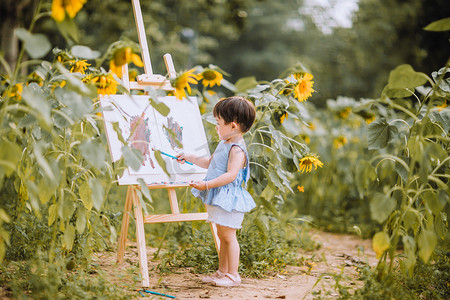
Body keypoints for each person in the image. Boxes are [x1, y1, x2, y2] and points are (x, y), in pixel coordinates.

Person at [176, 96, 256, 287]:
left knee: (229, 236)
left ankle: (233, 275)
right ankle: (222, 272)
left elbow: (230, 175)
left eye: (219, 123)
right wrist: (189, 157)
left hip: (230, 199)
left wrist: (207, 185)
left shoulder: (237, 149)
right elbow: (210, 163)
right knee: (222, 235)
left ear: (233, 125)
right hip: (221, 197)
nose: (216, 127)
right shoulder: (225, 143)